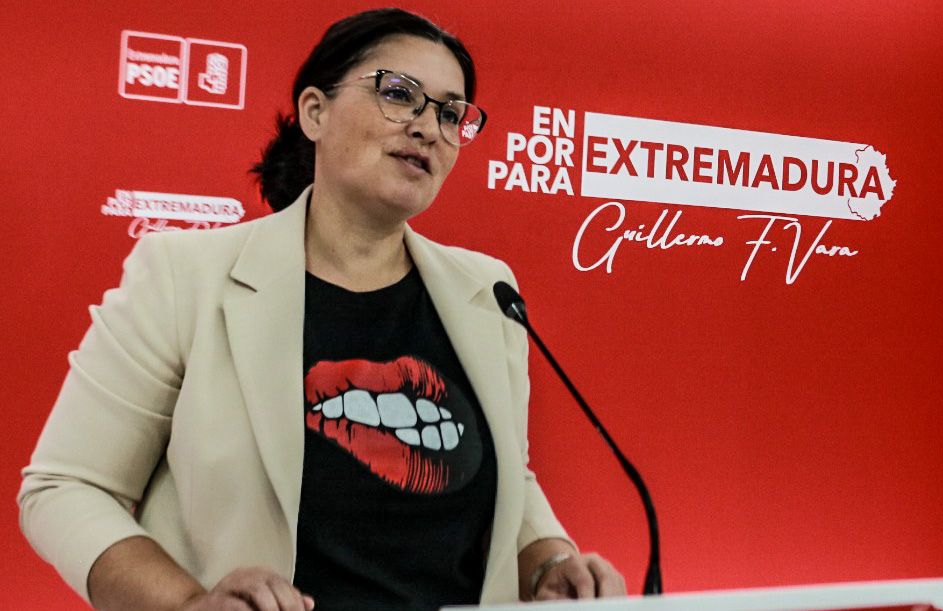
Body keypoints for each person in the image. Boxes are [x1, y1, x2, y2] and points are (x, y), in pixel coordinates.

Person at [18, 8, 625, 610]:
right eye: (398, 93)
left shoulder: (487, 290)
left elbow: (509, 477)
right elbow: (67, 486)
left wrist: (549, 562)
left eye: (449, 113)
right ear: (315, 112)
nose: (427, 128)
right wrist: (189, 603)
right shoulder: (186, 276)